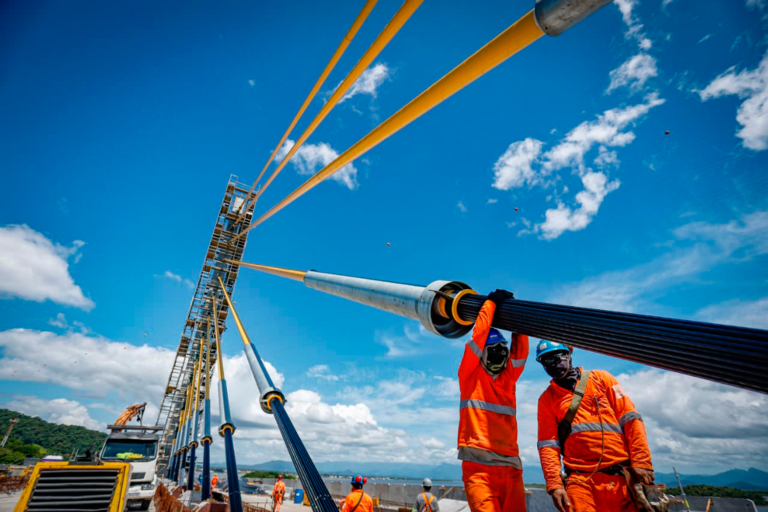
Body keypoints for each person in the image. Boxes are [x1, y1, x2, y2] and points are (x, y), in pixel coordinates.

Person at [536, 341, 655, 512]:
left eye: (556, 358)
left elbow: (631, 420)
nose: (552, 364)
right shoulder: (547, 399)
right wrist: (554, 484)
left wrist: (642, 461)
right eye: (546, 361)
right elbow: (548, 445)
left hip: (621, 477)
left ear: (569, 353)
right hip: (580, 482)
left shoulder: (601, 379)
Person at [458, 289, 529, 511]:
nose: (500, 353)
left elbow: (520, 350)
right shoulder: (469, 374)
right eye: (493, 349)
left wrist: (517, 314)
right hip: (479, 467)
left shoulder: (509, 377)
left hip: (511, 467)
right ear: (482, 353)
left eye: (502, 349)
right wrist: (489, 304)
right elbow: (478, 338)